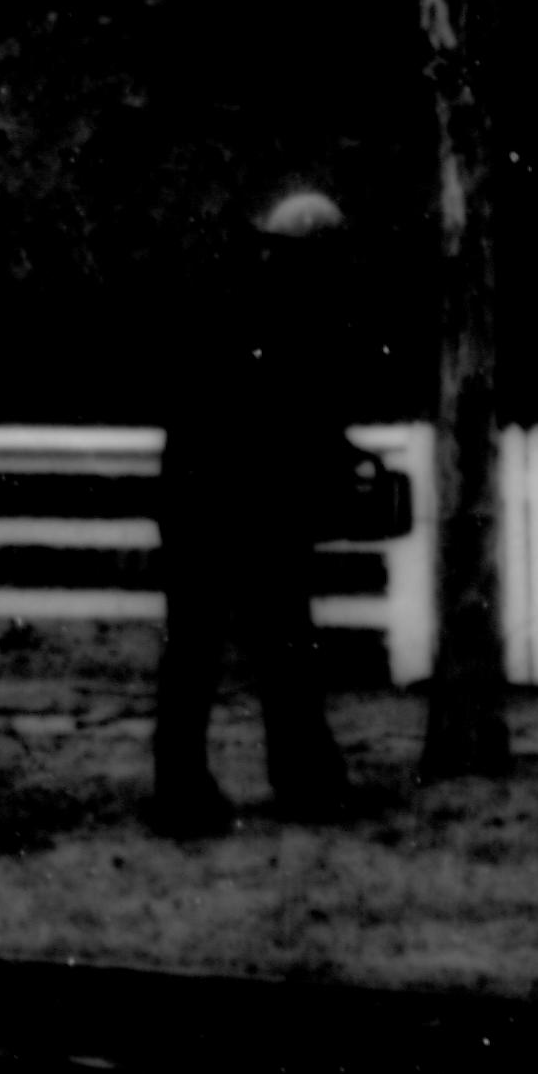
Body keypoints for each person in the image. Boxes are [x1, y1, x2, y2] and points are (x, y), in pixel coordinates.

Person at [149, 183, 368, 837]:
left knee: (202, 651)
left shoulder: (227, 298)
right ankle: (299, 779)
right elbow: (293, 409)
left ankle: (188, 786)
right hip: (243, 503)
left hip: (203, 498)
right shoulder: (289, 313)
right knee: (276, 647)